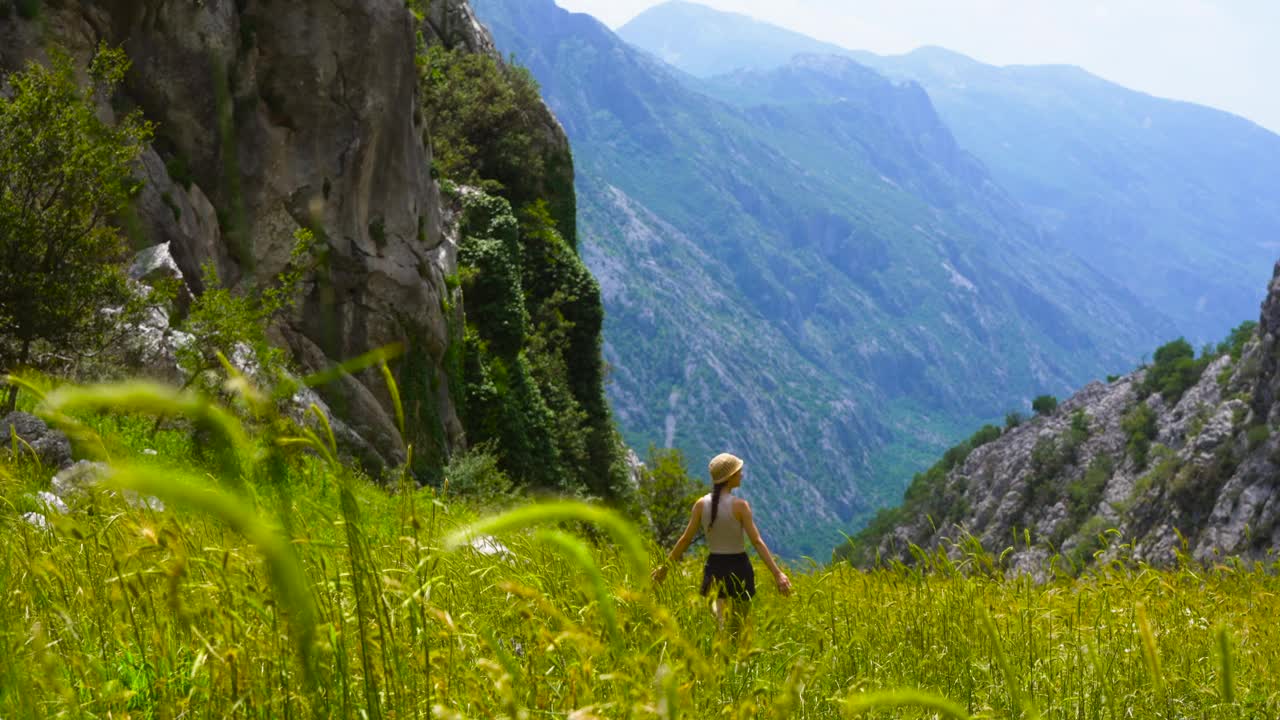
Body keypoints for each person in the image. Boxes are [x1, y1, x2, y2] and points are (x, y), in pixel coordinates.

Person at [651, 452, 791, 634]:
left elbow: (685, 540)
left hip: (714, 569)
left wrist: (664, 570)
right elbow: (756, 541)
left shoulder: (701, 505)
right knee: (738, 631)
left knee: (720, 629)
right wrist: (777, 574)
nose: (741, 475)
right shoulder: (741, 506)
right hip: (740, 569)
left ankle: (718, 660)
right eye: (739, 471)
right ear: (730, 477)